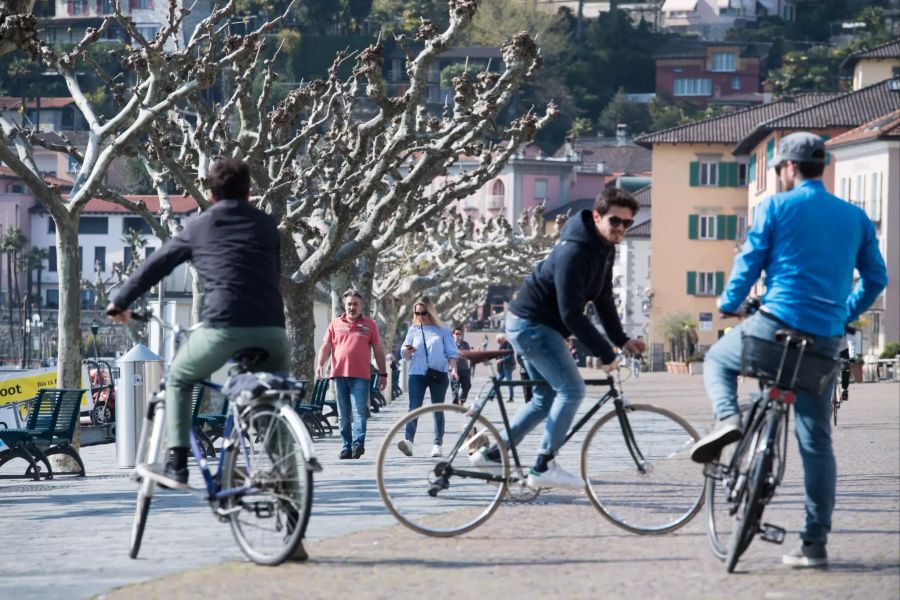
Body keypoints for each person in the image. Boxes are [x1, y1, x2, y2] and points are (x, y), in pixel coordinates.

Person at [689, 132, 888, 568]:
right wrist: (842, 313)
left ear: (789, 168)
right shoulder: (854, 217)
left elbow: (750, 262)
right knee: (816, 440)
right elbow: (876, 279)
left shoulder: (775, 207)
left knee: (719, 361)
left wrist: (727, 304)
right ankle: (814, 543)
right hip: (823, 342)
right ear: (823, 166)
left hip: (773, 329)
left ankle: (728, 419)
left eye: (778, 169)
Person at [106, 158, 291, 492]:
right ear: (249, 192)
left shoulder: (199, 226)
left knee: (178, 377)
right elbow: (273, 274)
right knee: (273, 402)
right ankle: (291, 500)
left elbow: (156, 266)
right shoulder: (267, 224)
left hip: (224, 326)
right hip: (273, 330)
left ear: (211, 194)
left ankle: (177, 464)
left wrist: (120, 301)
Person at [471, 188, 646, 489]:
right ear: (597, 216)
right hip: (533, 326)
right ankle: (543, 466)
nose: (621, 229)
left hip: (535, 325)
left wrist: (622, 340)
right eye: (615, 221)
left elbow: (603, 299)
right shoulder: (575, 252)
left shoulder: (604, 249)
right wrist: (605, 353)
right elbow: (571, 314)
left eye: (627, 224)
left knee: (545, 399)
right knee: (572, 390)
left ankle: (491, 453)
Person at [316, 289, 387, 460]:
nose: (352, 307)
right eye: (349, 304)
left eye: (355, 304)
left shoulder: (370, 325)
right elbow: (325, 346)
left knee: (360, 412)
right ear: (344, 305)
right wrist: (320, 365)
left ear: (361, 306)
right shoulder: (334, 324)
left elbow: (378, 349)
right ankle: (346, 446)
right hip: (339, 375)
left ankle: (358, 443)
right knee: (343, 414)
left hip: (361, 377)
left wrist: (383, 373)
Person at [397, 296, 459, 458]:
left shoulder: (443, 330)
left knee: (437, 409)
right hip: (417, 373)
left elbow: (452, 353)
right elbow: (404, 353)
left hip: (437, 373)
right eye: (417, 313)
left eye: (423, 313)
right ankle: (408, 441)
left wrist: (454, 370)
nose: (420, 316)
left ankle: (437, 444)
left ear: (430, 311)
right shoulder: (413, 329)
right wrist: (407, 351)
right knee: (414, 407)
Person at [451, 326, 472, 404]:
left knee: (467, 386)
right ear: (453, 334)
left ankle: (462, 398)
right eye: (456, 333)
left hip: (464, 369)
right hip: (453, 369)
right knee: (455, 387)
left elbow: (469, 354)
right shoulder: (450, 344)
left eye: (460, 334)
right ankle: (456, 401)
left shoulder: (465, 344)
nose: (458, 335)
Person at [495, 333, 516, 402]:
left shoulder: (508, 344)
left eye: (499, 340)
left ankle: (511, 397)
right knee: (498, 381)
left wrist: (502, 360)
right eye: (497, 340)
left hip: (507, 366)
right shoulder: (501, 345)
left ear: (502, 339)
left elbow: (510, 355)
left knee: (509, 381)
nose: (497, 342)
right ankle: (492, 395)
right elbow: (499, 355)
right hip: (501, 366)